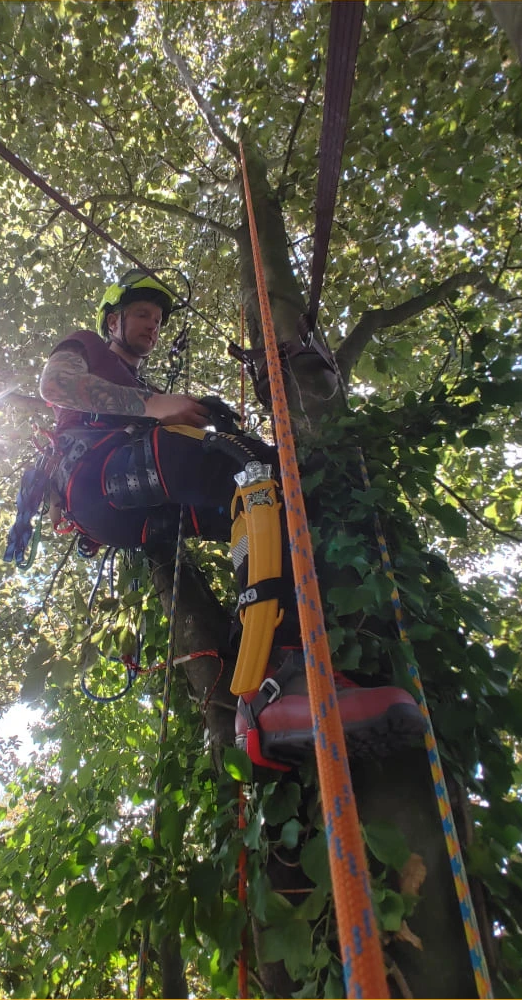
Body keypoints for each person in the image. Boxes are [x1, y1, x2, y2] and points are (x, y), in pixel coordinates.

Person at [39, 269, 424, 761]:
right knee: (248, 468)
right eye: (142, 314)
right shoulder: (88, 346)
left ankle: (282, 680)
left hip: (139, 507)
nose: (152, 325)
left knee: (272, 503)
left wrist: (200, 413)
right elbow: (56, 383)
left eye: (157, 320)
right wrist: (157, 405)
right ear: (113, 321)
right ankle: (279, 681)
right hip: (95, 475)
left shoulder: (140, 383)